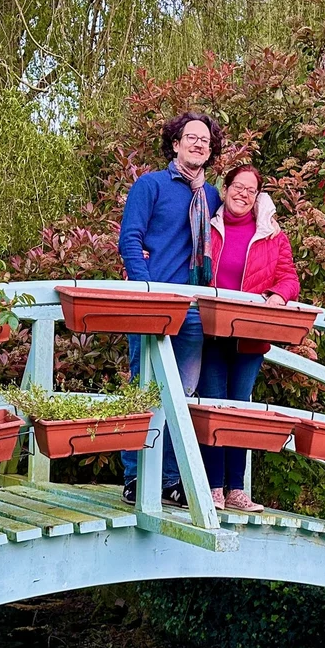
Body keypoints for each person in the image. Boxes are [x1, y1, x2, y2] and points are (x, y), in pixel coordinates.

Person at [117, 111, 224, 505]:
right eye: (191, 137)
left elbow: (248, 210)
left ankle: (170, 481)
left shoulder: (210, 196)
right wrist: (148, 289)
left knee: (180, 398)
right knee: (143, 390)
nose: (199, 144)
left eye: (206, 141)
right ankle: (134, 477)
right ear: (175, 143)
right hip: (152, 306)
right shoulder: (151, 186)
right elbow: (130, 239)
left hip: (194, 309)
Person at [198, 163, 300, 511]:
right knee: (214, 407)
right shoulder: (207, 227)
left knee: (240, 408)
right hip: (211, 332)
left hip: (250, 336)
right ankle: (212, 487)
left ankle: (236, 490)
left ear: (258, 197)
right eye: (237, 187)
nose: (242, 194)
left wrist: (278, 295)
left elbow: (289, 278)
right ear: (224, 189)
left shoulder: (272, 234)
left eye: (250, 190)